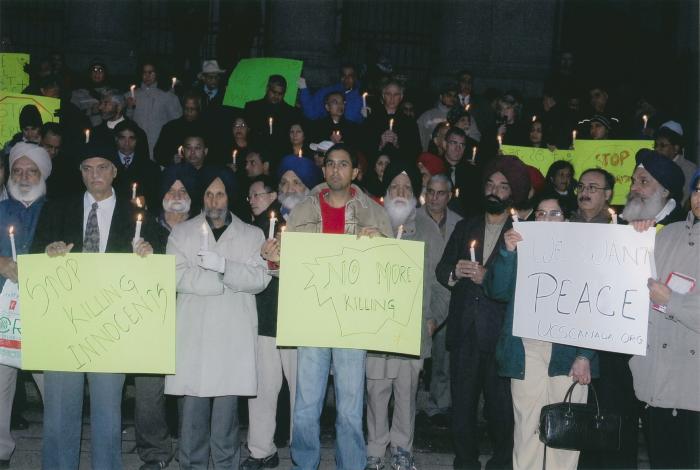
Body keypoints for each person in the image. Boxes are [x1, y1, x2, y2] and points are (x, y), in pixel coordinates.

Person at [31, 141, 159, 470]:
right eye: (87, 169)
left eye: (102, 167)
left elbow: (157, 274)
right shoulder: (57, 208)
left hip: (110, 330)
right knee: (59, 415)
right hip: (64, 328)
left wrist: (147, 255)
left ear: (115, 172)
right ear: (80, 173)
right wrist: (50, 252)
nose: (94, 174)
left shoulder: (138, 216)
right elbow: (34, 259)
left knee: (107, 416)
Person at [284, 144, 392, 470]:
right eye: (330, 164)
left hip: (352, 320)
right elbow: (288, 264)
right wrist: (275, 254)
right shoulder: (302, 210)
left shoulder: (374, 211)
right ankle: (305, 464)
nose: (335, 170)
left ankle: (352, 465)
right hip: (313, 319)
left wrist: (381, 247)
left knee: (349, 408)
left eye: (343, 164)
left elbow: (391, 268)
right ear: (324, 169)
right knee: (305, 406)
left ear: (355, 172)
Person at [165, 169, 271, 469]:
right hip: (194, 338)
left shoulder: (252, 235)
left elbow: (260, 279)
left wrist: (223, 266)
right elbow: (175, 275)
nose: (214, 201)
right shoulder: (182, 232)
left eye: (220, 193)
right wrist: (221, 281)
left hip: (231, 339)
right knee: (192, 424)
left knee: (226, 425)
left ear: (230, 197)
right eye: (209, 194)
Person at [483, 197, 596, 470]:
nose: (546, 219)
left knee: (567, 430)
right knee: (528, 428)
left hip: (569, 352)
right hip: (526, 350)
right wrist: (508, 254)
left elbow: (596, 308)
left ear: (566, 220)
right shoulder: (521, 250)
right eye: (541, 213)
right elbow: (496, 290)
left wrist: (584, 355)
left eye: (554, 213)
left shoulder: (586, 254)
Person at [436, 155, 532, 470]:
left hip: (500, 333)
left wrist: (487, 279)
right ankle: (465, 463)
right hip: (464, 332)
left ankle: (502, 463)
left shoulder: (522, 232)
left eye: (503, 187)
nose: (494, 190)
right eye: (490, 184)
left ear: (512, 193)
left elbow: (525, 283)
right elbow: (441, 269)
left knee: (501, 410)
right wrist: (455, 271)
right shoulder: (466, 226)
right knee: (462, 409)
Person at [628, 169, 700, 469]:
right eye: (698, 189)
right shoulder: (666, 234)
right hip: (655, 384)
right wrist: (634, 237)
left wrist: (673, 301)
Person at [134, 164, 199, 470]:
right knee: (148, 391)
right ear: (161, 195)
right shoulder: (142, 228)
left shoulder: (203, 230)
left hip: (192, 319)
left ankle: (191, 451)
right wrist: (137, 256)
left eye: (183, 190)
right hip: (149, 321)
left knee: (192, 390)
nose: (176, 196)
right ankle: (155, 453)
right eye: (171, 190)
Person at [364, 161, 425, 470]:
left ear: (415, 195)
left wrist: (433, 318)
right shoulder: (369, 223)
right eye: (394, 188)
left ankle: (402, 447)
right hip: (376, 325)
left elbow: (439, 281)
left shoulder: (426, 227)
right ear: (385, 193)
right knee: (376, 389)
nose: (400, 193)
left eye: (407, 188)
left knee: (406, 391)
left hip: (412, 328)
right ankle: (375, 449)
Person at [0, 143, 52, 468]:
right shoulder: (0, 210)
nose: (23, 176)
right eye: (17, 171)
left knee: (54, 385)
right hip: (3, 312)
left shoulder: (58, 209)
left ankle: (59, 448)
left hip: (45, 314)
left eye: (30, 171)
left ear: (42, 174)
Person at [241, 175, 292, 470]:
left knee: (300, 393)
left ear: (274, 195)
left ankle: (301, 448)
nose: (253, 200)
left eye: (258, 194)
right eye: (250, 196)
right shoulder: (250, 232)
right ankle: (261, 450)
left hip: (296, 321)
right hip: (264, 321)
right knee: (261, 389)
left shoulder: (294, 226)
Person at [414, 174, 462, 427]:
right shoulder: (412, 219)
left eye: (440, 193)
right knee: (414, 358)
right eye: (430, 192)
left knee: (444, 356)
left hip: (449, 297)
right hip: (417, 297)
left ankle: (439, 406)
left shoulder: (460, 223)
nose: (434, 198)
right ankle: (404, 404)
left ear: (449, 195)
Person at [126, 61, 183, 158]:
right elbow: (127, 122)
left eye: (150, 72)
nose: (147, 76)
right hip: (138, 145)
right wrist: (130, 108)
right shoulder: (132, 95)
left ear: (156, 74)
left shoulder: (167, 97)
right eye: (144, 72)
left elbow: (176, 122)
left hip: (159, 144)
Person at [621, 149, 686, 227]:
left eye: (643, 181)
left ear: (665, 191)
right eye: (633, 181)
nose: (633, 188)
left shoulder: (680, 227)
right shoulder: (620, 221)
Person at [362, 79, 421, 163]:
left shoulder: (409, 123)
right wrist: (380, 145)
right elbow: (363, 148)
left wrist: (397, 145)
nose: (392, 98)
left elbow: (415, 150)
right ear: (383, 95)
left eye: (396, 94)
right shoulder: (372, 120)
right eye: (388, 94)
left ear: (401, 97)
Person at [244, 75, 302, 157]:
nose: (276, 96)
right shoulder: (252, 108)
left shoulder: (292, 113)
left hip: (281, 156)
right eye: (274, 92)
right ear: (267, 88)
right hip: (256, 155)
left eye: (280, 94)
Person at [111, 120, 162, 214]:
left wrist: (145, 203)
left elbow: (155, 199)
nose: (127, 143)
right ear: (116, 139)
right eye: (122, 138)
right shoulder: (106, 164)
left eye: (131, 138)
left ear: (137, 140)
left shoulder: (150, 167)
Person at [298, 63, 364, 123]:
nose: (346, 79)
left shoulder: (362, 95)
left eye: (350, 76)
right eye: (344, 75)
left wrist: (364, 117)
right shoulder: (329, 92)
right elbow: (311, 113)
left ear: (355, 77)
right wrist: (303, 88)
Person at [154, 92, 206, 167]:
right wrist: (171, 159)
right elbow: (158, 153)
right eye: (186, 108)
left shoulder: (205, 128)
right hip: (176, 171)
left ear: (199, 109)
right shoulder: (170, 127)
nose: (189, 112)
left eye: (192, 109)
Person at [654, 122, 697, 203]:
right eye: (656, 145)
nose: (657, 149)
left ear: (676, 148)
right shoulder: (653, 165)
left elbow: (685, 202)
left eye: (662, 145)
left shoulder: (690, 169)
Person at [275, 154, 323, 218]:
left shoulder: (320, 217)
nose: (289, 189)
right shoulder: (272, 217)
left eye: (296, 183)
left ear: (308, 189)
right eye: (284, 183)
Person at [416, 82, 458, 151]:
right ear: (441, 97)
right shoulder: (428, 115)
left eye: (454, 96)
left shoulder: (461, 116)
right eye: (449, 95)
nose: (452, 98)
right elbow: (419, 137)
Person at [70, 59, 111, 127]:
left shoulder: (111, 93)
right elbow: (72, 113)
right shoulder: (78, 93)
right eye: (94, 70)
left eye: (100, 70)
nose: (97, 73)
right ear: (89, 73)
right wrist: (89, 111)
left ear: (105, 73)